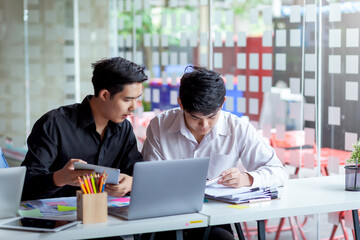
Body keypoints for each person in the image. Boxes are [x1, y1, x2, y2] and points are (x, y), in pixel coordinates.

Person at [141, 66, 288, 240]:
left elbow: (278, 172)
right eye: (195, 118)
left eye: (211, 117)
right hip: (165, 219)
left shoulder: (237, 128)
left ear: (223, 103)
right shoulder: (159, 126)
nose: (204, 125)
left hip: (215, 221)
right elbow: (148, 182)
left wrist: (245, 179)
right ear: (181, 104)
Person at [21, 57, 148, 201]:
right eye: (127, 100)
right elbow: (24, 185)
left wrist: (131, 182)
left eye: (137, 99)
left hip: (107, 217)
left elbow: (137, 173)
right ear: (105, 95)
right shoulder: (54, 124)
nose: (133, 107)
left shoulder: (124, 128)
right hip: (56, 220)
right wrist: (59, 178)